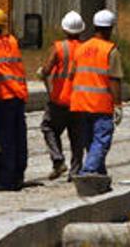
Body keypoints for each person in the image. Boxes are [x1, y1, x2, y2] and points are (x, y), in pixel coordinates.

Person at [70, 9, 123, 185]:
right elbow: (114, 80)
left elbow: (72, 75)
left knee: (90, 141)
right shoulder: (110, 50)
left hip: (81, 103)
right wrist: (118, 105)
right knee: (101, 140)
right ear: (109, 29)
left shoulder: (81, 48)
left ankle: (100, 175)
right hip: (101, 105)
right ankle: (88, 172)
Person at [37, 10, 85, 180]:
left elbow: (47, 69)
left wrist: (41, 73)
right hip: (79, 101)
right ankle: (75, 171)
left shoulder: (59, 47)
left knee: (48, 127)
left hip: (59, 99)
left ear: (65, 29)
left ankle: (58, 161)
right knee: (77, 137)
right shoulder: (85, 49)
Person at [0, 6, 28, 190]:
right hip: (18, 94)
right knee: (18, 138)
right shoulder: (11, 41)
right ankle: (18, 175)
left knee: (6, 140)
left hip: (3, 96)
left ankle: (6, 180)